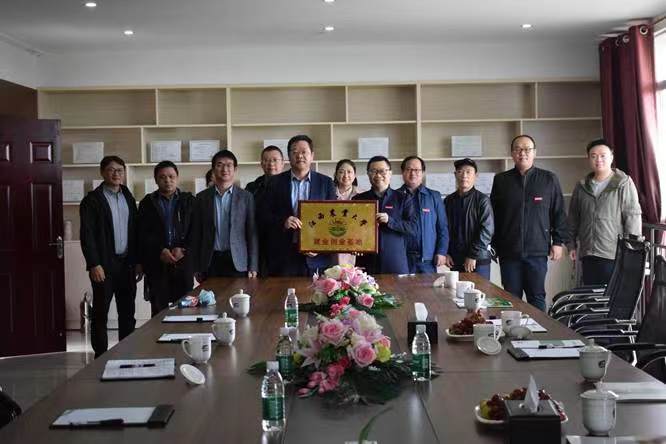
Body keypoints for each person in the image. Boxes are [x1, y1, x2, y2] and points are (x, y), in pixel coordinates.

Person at [490, 135, 568, 311]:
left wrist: (557, 242)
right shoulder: (501, 180)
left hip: (537, 250)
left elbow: (558, 212)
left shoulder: (549, 179)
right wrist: (493, 245)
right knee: (510, 299)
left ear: (535, 153)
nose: (522, 153)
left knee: (536, 297)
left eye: (527, 149)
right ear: (512, 153)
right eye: (518, 149)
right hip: (509, 251)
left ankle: (539, 329)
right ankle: (512, 329)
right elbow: (494, 216)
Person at [80, 156, 141, 358]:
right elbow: (87, 234)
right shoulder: (92, 200)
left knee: (127, 313)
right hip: (103, 265)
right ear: (102, 172)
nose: (116, 174)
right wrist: (93, 264)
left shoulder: (128, 197)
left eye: (120, 170)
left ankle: (126, 352)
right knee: (101, 313)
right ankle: (101, 355)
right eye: (111, 170)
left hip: (127, 264)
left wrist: (138, 261)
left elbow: (135, 232)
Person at [568, 139, 642, 285]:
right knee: (591, 294)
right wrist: (571, 245)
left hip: (613, 254)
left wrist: (630, 250)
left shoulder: (623, 183)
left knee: (611, 295)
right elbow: (573, 218)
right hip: (588, 252)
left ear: (611, 157)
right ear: (589, 159)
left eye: (603, 155)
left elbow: (632, 217)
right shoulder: (582, 186)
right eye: (593, 156)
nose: (598, 159)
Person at [262, 135, 336, 276]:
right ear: (289, 157)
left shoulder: (326, 183)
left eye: (304, 152)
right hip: (283, 255)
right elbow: (264, 215)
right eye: (295, 152)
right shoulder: (274, 182)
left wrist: (320, 247)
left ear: (312, 155)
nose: (299, 156)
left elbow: (332, 218)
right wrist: (283, 222)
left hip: (316, 258)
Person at [137, 161, 196, 316]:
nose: (167, 180)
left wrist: (184, 249)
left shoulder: (189, 200)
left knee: (185, 310)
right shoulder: (147, 203)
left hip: (182, 263)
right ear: (156, 180)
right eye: (162, 177)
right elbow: (142, 234)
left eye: (171, 176)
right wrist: (160, 250)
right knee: (158, 312)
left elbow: (196, 230)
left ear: (177, 178)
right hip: (157, 263)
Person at [189, 150, 258, 279]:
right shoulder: (201, 198)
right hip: (210, 261)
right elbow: (196, 233)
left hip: (237, 261)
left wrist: (253, 265)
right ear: (213, 169)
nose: (224, 169)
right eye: (219, 165)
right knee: (210, 293)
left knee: (237, 293)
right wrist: (196, 266)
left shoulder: (246, 197)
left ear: (235, 169)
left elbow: (252, 232)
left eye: (229, 165)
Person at [353, 156, 418, 274]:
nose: (378, 175)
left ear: (390, 173)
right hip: (367, 262)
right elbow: (352, 229)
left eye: (382, 171)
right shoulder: (358, 199)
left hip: (395, 262)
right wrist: (353, 245)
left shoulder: (403, 198)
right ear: (368, 174)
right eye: (373, 171)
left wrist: (390, 221)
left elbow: (413, 228)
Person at [444, 158, 494, 280]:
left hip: (478, 259)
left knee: (479, 291)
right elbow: (443, 228)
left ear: (476, 176)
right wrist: (446, 252)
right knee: (456, 291)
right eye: (460, 172)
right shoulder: (449, 201)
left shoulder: (482, 200)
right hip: (455, 259)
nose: (464, 176)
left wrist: (473, 255)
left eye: (468, 172)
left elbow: (487, 230)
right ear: (455, 175)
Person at [398, 156, 449, 274]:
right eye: (409, 169)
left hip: (427, 260)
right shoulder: (394, 196)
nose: (413, 173)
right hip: (402, 258)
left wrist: (441, 252)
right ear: (403, 172)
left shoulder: (434, 196)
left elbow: (442, 227)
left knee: (428, 287)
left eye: (417, 170)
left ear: (423, 173)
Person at [246, 145, 285, 276]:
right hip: (260, 244)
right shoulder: (253, 187)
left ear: (283, 163)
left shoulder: (291, 185)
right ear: (261, 164)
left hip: (285, 245)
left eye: (274, 160)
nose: (271, 164)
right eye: (266, 160)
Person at [334, 159, 361, 267]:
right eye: (341, 172)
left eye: (349, 172)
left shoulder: (363, 194)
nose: (345, 175)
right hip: (333, 240)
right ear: (336, 174)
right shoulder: (328, 193)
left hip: (355, 243)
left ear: (355, 175)